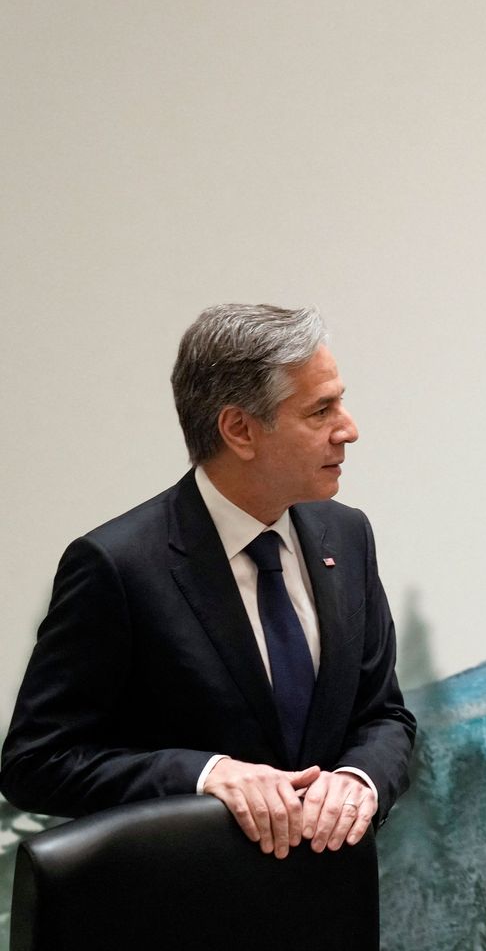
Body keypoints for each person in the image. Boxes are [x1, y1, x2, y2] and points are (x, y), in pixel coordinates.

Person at [2, 304, 414, 859]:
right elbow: (37, 762)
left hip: (327, 904)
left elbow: (383, 714)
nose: (350, 429)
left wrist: (359, 780)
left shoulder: (346, 534)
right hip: (181, 907)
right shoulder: (116, 566)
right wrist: (204, 775)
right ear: (240, 430)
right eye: (321, 410)